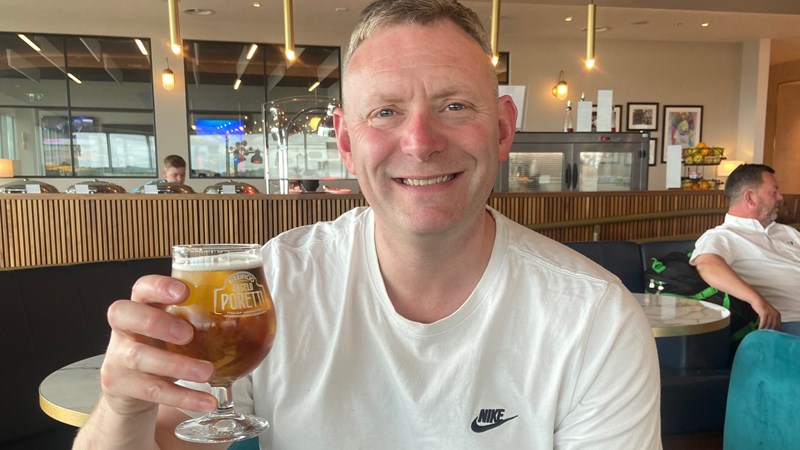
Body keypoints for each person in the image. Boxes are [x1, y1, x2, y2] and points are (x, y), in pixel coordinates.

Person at [73, 1, 660, 448]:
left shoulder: (593, 318)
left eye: (455, 105)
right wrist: (123, 409)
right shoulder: (272, 283)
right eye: (385, 112)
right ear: (348, 144)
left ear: (503, 129)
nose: (421, 142)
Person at [691, 163, 800, 334]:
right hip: (786, 323)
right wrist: (757, 301)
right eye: (773, 192)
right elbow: (707, 265)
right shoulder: (723, 235)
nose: (780, 197)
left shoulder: (788, 232)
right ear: (750, 197)